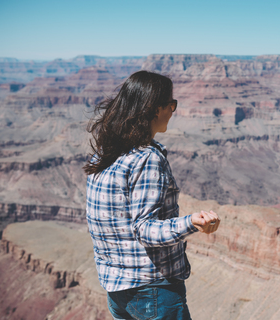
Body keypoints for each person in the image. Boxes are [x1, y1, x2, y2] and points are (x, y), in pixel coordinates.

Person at [83, 71, 220, 320]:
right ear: (155, 109)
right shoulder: (147, 158)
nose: (173, 111)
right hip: (153, 292)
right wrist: (191, 223)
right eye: (171, 104)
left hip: (117, 291)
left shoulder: (105, 154)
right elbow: (144, 229)